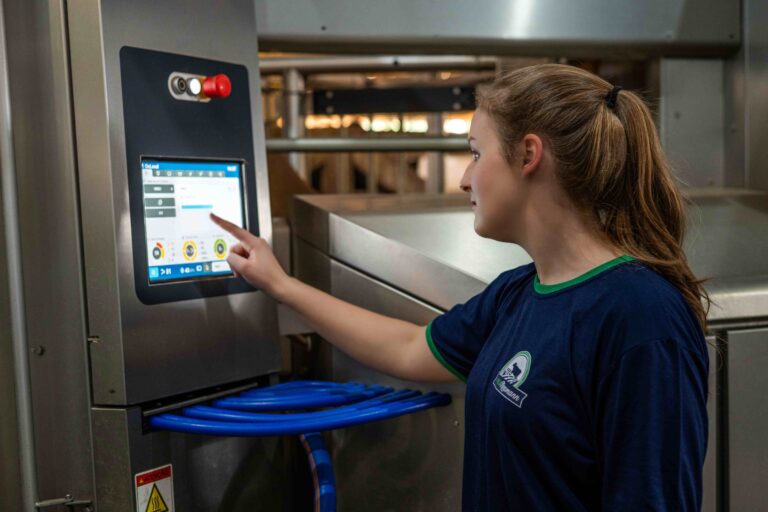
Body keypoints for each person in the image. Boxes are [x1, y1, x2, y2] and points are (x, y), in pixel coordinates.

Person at [211, 63, 710, 511]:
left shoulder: (642, 319)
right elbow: (410, 348)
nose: (464, 179)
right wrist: (282, 285)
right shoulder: (520, 292)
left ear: (529, 155)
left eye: (475, 153)